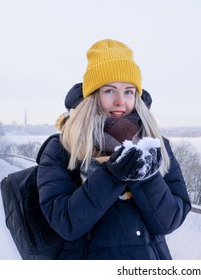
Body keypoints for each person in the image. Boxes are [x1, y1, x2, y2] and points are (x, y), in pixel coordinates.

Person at [37, 39, 191, 260]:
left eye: (129, 91)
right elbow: (66, 223)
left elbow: (170, 220)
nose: (120, 101)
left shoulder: (156, 145)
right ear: (93, 96)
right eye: (110, 91)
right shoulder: (63, 148)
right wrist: (110, 177)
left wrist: (144, 177)